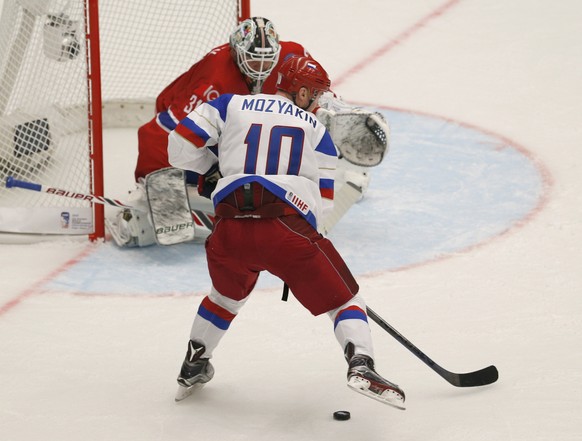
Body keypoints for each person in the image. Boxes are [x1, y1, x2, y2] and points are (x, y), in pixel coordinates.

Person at [168, 56, 405, 409]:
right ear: (303, 90)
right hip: (286, 231)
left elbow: (178, 146)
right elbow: (322, 208)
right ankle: (362, 365)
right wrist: (295, 256)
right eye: (317, 94)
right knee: (345, 301)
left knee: (224, 298)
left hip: (228, 232)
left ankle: (194, 365)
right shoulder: (317, 131)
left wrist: (214, 167)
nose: (320, 102)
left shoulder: (229, 103)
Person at [109, 16, 389, 247]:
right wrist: (179, 176)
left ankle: (338, 170)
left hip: (246, 123)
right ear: (237, 54)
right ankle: (147, 203)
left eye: (268, 63)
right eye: (254, 64)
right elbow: (159, 132)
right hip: (195, 116)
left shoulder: (293, 55)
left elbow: (316, 95)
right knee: (189, 153)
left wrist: (336, 111)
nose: (261, 72)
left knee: (308, 127)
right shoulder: (214, 79)